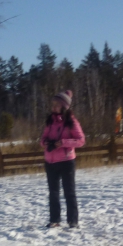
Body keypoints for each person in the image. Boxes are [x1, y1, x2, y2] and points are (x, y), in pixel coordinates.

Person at [39, 90, 85, 228]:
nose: (53, 107)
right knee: (53, 193)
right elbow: (42, 139)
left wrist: (63, 143)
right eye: (53, 104)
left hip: (66, 161)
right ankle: (55, 220)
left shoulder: (71, 122)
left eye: (57, 105)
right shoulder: (50, 121)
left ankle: (73, 221)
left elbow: (81, 140)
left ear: (64, 107)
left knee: (69, 192)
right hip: (50, 161)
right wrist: (46, 143)